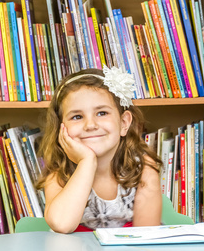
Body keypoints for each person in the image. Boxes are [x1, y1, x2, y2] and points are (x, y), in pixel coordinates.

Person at [36, 66, 162, 233]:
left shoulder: (143, 170)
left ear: (124, 123)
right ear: (61, 128)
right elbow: (61, 224)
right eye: (77, 117)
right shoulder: (59, 174)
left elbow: (147, 238)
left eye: (102, 113)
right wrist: (86, 162)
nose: (90, 125)